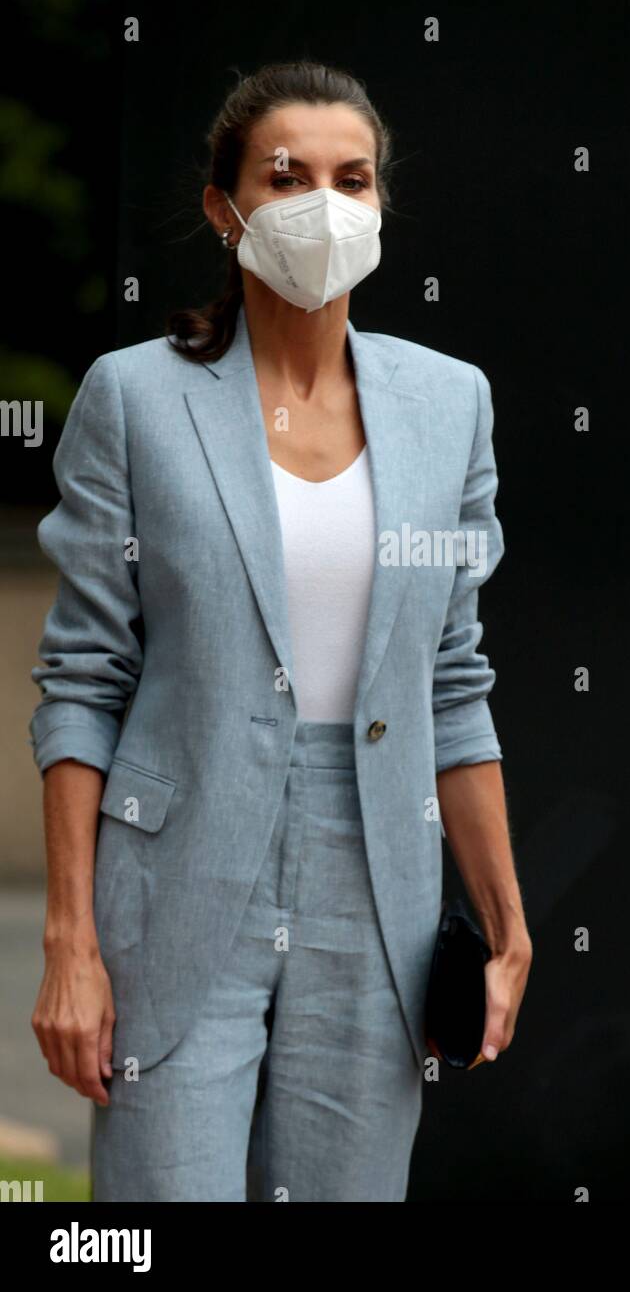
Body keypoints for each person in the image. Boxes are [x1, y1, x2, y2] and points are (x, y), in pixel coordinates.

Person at [28, 59, 532, 1202]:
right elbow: (83, 680)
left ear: (380, 205)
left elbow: (452, 679)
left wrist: (505, 925)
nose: (322, 204)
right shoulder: (134, 396)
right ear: (224, 205)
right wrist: (71, 941)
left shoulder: (449, 404)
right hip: (176, 873)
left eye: (351, 179)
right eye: (285, 175)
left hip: (378, 877)